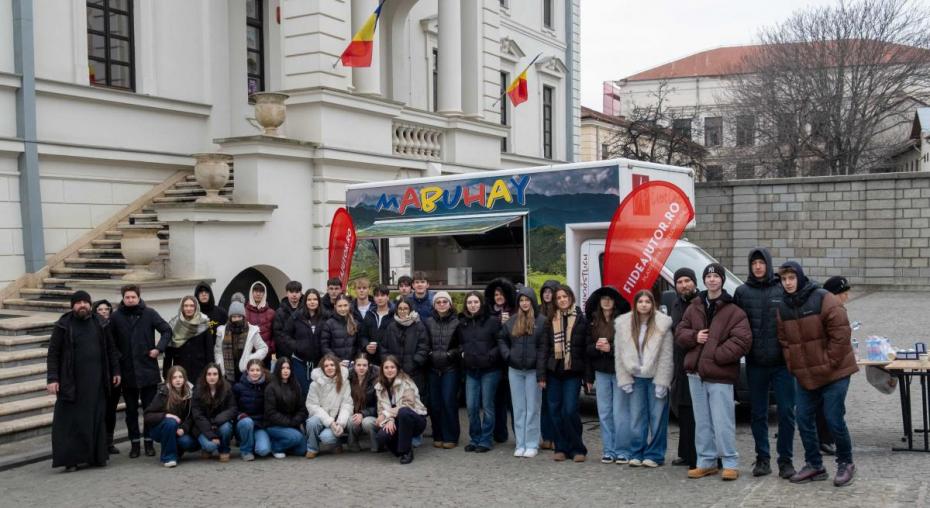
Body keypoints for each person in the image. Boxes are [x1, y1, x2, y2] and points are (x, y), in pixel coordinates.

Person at [776, 262, 857, 487]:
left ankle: (846, 463)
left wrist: (828, 363)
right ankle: (814, 464)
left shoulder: (823, 298)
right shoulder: (783, 307)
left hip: (835, 371)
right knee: (803, 418)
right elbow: (785, 341)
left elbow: (841, 334)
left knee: (833, 418)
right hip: (805, 374)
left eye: (792, 278)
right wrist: (794, 365)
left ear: (800, 278)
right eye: (784, 279)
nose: (788, 283)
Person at [676, 263, 752, 481]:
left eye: (716, 276)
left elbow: (742, 341)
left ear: (722, 280)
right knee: (702, 422)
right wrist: (695, 337)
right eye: (708, 277)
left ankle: (730, 463)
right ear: (704, 280)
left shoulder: (734, 311)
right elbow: (680, 332)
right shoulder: (694, 307)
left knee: (722, 421)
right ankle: (706, 461)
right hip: (695, 374)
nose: (712, 280)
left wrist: (716, 356)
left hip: (719, 374)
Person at [733, 247, 797, 479]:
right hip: (756, 363)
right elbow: (736, 324)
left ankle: (785, 460)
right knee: (758, 413)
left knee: (787, 412)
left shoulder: (782, 288)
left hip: (782, 364)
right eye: (754, 263)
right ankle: (762, 458)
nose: (758, 267)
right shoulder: (742, 292)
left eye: (761, 263)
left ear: (768, 264)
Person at [47, 291, 121, 471]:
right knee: (71, 422)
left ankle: (96, 457)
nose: (82, 305)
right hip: (71, 383)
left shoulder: (100, 323)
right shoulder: (63, 325)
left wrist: (116, 371)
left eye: (85, 302)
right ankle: (71, 460)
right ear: (72, 306)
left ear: (90, 304)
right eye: (78, 302)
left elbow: (111, 349)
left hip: (97, 381)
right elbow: (53, 353)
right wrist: (52, 378)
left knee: (96, 419)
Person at [108, 284, 172, 459]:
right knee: (130, 411)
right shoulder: (115, 317)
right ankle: (135, 444)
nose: (130, 300)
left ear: (138, 297)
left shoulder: (149, 313)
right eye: (127, 297)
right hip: (127, 371)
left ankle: (149, 442)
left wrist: (158, 349)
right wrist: (119, 356)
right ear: (123, 298)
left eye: (133, 297)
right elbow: (110, 341)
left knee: (149, 410)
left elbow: (166, 330)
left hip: (147, 370)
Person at [615, 290, 674, 468]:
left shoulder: (662, 324)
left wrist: (662, 381)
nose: (643, 305)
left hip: (655, 377)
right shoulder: (624, 325)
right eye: (640, 301)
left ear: (652, 304)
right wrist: (624, 378)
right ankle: (637, 452)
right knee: (636, 418)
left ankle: (655, 455)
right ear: (635, 304)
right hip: (636, 378)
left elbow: (666, 355)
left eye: (647, 302)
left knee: (657, 418)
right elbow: (619, 355)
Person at [498, 286, 547, 458]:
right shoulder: (512, 321)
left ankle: (532, 444)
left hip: (533, 371)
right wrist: (508, 356)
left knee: (533, 408)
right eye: (522, 300)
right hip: (515, 370)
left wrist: (541, 373)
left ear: (532, 301)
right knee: (518, 408)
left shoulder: (542, 321)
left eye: (527, 300)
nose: (525, 303)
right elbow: (501, 339)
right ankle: (520, 443)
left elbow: (543, 349)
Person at [584, 285, 631, 464]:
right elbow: (587, 349)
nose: (606, 301)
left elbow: (628, 348)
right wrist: (596, 348)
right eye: (603, 298)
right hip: (601, 372)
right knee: (604, 413)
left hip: (619, 372)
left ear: (615, 302)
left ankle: (622, 450)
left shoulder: (624, 321)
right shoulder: (592, 321)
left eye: (610, 298)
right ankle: (608, 450)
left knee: (621, 413)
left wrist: (610, 349)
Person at [543, 285, 589, 463]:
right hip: (553, 372)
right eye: (559, 297)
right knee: (555, 411)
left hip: (573, 372)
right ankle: (561, 447)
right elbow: (544, 349)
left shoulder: (580, 319)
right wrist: (541, 375)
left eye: (565, 296)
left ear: (571, 297)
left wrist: (588, 377)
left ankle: (577, 448)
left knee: (569, 410)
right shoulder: (550, 320)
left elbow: (585, 349)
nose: (562, 300)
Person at [661, 268, 699, 469]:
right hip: (679, 363)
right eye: (680, 282)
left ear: (694, 282)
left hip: (696, 362)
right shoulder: (676, 303)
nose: (684, 285)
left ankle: (699, 455)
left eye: (687, 281)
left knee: (697, 412)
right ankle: (685, 453)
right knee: (683, 409)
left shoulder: (700, 302)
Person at [459, 291, 502, 453]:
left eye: (476, 302)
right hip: (471, 370)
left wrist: (490, 356)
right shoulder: (462, 323)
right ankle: (475, 438)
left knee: (488, 406)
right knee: (471, 407)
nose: (473, 305)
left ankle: (486, 439)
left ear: (481, 303)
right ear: (466, 305)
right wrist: (463, 353)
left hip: (490, 370)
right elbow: (459, 343)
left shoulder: (492, 321)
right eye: (469, 302)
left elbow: (500, 342)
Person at [818, 275, 852, 455]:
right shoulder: (826, 312)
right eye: (844, 293)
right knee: (829, 406)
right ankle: (825, 440)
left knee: (835, 406)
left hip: (836, 364)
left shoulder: (837, 310)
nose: (847, 296)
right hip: (830, 365)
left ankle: (828, 438)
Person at [375, 355, 429, 464]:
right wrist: (389, 419)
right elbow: (381, 409)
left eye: (392, 367)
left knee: (403, 412)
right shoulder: (379, 387)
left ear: (397, 368)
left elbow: (408, 405)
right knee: (381, 437)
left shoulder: (407, 382)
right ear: (382, 370)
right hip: (395, 419)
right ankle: (403, 446)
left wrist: (387, 414)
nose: (389, 370)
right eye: (386, 367)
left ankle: (407, 451)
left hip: (415, 419)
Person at [425, 291, 461, 449]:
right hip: (432, 368)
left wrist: (450, 354)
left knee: (448, 401)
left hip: (450, 368)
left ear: (450, 304)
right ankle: (438, 435)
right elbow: (424, 342)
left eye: (444, 301)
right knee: (434, 404)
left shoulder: (458, 322)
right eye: (438, 302)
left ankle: (451, 436)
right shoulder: (428, 322)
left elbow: (461, 345)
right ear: (434, 305)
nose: (441, 304)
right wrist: (429, 354)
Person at [144, 365, 197, 468]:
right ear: (170, 380)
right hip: (160, 429)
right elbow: (147, 415)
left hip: (179, 429)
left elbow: (192, 416)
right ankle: (169, 457)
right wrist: (166, 415)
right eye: (174, 377)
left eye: (180, 377)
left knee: (187, 443)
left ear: (185, 379)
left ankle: (176, 450)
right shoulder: (163, 393)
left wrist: (183, 428)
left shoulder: (191, 394)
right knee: (171, 422)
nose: (178, 380)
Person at [485, 278, 516, 445]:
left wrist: (507, 324)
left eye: (501, 294)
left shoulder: (515, 311)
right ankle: (499, 434)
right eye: (496, 294)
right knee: (497, 401)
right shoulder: (489, 312)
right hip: (494, 363)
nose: (498, 297)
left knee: (514, 402)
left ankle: (519, 436)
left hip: (511, 362)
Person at [280, 288, 325, 398]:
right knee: (302, 391)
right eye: (309, 299)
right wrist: (296, 346)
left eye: (315, 299)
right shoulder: (296, 316)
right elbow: (285, 335)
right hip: (300, 361)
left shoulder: (325, 317)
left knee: (318, 392)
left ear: (319, 301)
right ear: (305, 301)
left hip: (319, 362)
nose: (312, 302)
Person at [304, 354, 353, 457]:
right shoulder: (315, 384)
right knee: (311, 423)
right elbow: (312, 405)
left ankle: (336, 443)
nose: (329, 368)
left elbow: (347, 404)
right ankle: (312, 448)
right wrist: (330, 422)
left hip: (336, 419)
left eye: (332, 365)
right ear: (322, 369)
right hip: (320, 418)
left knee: (327, 437)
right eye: (326, 366)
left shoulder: (344, 382)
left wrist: (340, 423)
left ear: (337, 366)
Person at [381, 298, 429, 395]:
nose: (402, 311)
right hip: (394, 371)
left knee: (413, 398)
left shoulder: (419, 326)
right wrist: (390, 364)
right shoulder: (391, 327)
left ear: (410, 309)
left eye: (406, 308)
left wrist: (415, 363)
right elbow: (384, 347)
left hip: (414, 372)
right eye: (400, 308)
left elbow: (424, 346)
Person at [263, 356, 309, 459]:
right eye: (283, 368)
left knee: (302, 450)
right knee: (296, 437)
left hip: (292, 424)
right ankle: (275, 447)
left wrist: (295, 421)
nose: (285, 371)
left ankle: (285, 443)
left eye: (288, 368)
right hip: (274, 425)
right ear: (278, 369)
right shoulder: (271, 387)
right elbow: (271, 413)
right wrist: (289, 422)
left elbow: (302, 409)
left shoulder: (296, 385)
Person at [214, 297, 268, 384]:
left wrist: (250, 359)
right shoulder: (222, 331)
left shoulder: (251, 330)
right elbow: (218, 351)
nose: (237, 319)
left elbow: (263, 348)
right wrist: (220, 365)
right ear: (230, 317)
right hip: (227, 374)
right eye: (234, 316)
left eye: (239, 316)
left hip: (245, 372)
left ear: (243, 317)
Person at [191, 363, 237, 462]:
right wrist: (211, 435)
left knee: (226, 428)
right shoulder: (198, 390)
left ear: (219, 375)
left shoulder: (227, 388)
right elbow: (197, 415)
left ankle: (224, 450)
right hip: (202, 426)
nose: (212, 377)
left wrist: (216, 421)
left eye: (215, 374)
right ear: (205, 376)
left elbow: (232, 408)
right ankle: (207, 449)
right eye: (209, 374)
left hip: (220, 422)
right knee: (210, 446)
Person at [163, 295, 213, 384]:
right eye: (185, 306)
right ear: (181, 307)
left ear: (196, 307)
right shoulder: (174, 324)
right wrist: (166, 374)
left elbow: (209, 350)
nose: (188, 308)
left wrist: (210, 371)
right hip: (180, 371)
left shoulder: (203, 323)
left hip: (200, 370)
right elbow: (169, 351)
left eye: (191, 306)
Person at [93, 298, 120, 455]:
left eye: (106, 309)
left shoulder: (114, 326)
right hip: (98, 375)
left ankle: (109, 442)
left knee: (111, 410)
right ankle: (99, 442)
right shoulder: (93, 327)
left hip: (114, 373)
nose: (104, 312)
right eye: (100, 309)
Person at [537, 279, 561, 451]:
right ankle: (546, 436)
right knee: (544, 403)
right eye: (544, 291)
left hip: (555, 362)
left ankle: (557, 436)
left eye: (550, 291)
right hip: (540, 361)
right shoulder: (537, 310)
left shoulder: (559, 312)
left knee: (556, 402)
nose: (547, 294)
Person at [233, 359, 271, 460]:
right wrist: (240, 415)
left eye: (258, 370)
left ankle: (254, 442)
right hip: (243, 423)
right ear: (247, 371)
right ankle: (246, 451)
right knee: (247, 422)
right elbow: (232, 408)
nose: (255, 373)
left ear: (262, 371)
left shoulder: (267, 387)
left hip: (259, 425)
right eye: (252, 370)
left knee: (263, 450)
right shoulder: (238, 387)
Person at [347, 353, 380, 452]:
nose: (361, 368)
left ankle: (377, 445)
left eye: (364, 365)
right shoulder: (348, 378)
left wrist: (363, 414)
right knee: (351, 421)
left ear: (369, 366)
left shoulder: (376, 379)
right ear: (354, 366)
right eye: (359, 365)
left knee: (367, 422)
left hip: (372, 414)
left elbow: (378, 405)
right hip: (354, 412)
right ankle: (353, 444)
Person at [359, 285, 395, 365]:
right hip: (371, 358)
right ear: (374, 298)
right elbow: (363, 335)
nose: (380, 298)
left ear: (388, 297)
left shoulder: (394, 315)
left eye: (382, 295)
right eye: (377, 296)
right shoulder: (369, 314)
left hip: (389, 358)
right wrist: (366, 346)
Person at [321, 294, 360, 364]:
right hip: (335, 364)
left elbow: (359, 346)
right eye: (340, 306)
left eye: (345, 305)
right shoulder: (329, 324)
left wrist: (356, 361)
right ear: (335, 306)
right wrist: (336, 361)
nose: (343, 309)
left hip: (352, 364)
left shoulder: (355, 323)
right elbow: (325, 346)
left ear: (349, 305)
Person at [245, 281, 276, 369]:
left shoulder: (271, 313)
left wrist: (270, 349)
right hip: (248, 355)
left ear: (264, 294)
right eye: (255, 291)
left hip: (266, 355)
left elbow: (275, 333)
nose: (258, 294)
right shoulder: (244, 312)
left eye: (261, 291)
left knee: (266, 376)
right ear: (251, 292)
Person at [273, 280, 304, 354]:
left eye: (297, 292)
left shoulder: (305, 310)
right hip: (285, 352)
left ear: (300, 294)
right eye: (291, 292)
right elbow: (278, 334)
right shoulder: (280, 312)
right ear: (287, 293)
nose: (294, 295)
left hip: (302, 351)